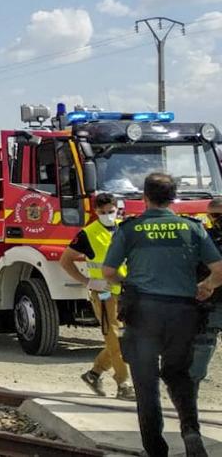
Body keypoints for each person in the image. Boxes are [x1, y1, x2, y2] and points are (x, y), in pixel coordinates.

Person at [103, 173, 222, 457]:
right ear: (173, 198)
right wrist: (205, 287)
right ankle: (191, 431)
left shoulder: (130, 229)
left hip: (144, 313)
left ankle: (156, 450)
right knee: (179, 375)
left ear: (144, 198)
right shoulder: (192, 227)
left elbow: (108, 273)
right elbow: (219, 269)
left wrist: (125, 284)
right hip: (183, 313)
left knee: (145, 384)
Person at [59, 192, 134, 400]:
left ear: (117, 208)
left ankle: (94, 374)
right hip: (103, 292)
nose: (108, 215)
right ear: (95, 212)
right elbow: (66, 260)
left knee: (122, 339)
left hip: (127, 291)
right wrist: (86, 281)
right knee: (115, 338)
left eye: (111, 211)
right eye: (103, 213)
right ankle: (124, 383)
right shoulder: (88, 233)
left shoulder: (125, 228)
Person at [190, 196, 222, 386]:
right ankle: (190, 389)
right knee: (204, 343)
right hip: (211, 300)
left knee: (204, 343)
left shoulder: (204, 237)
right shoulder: (203, 237)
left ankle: (190, 390)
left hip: (210, 297)